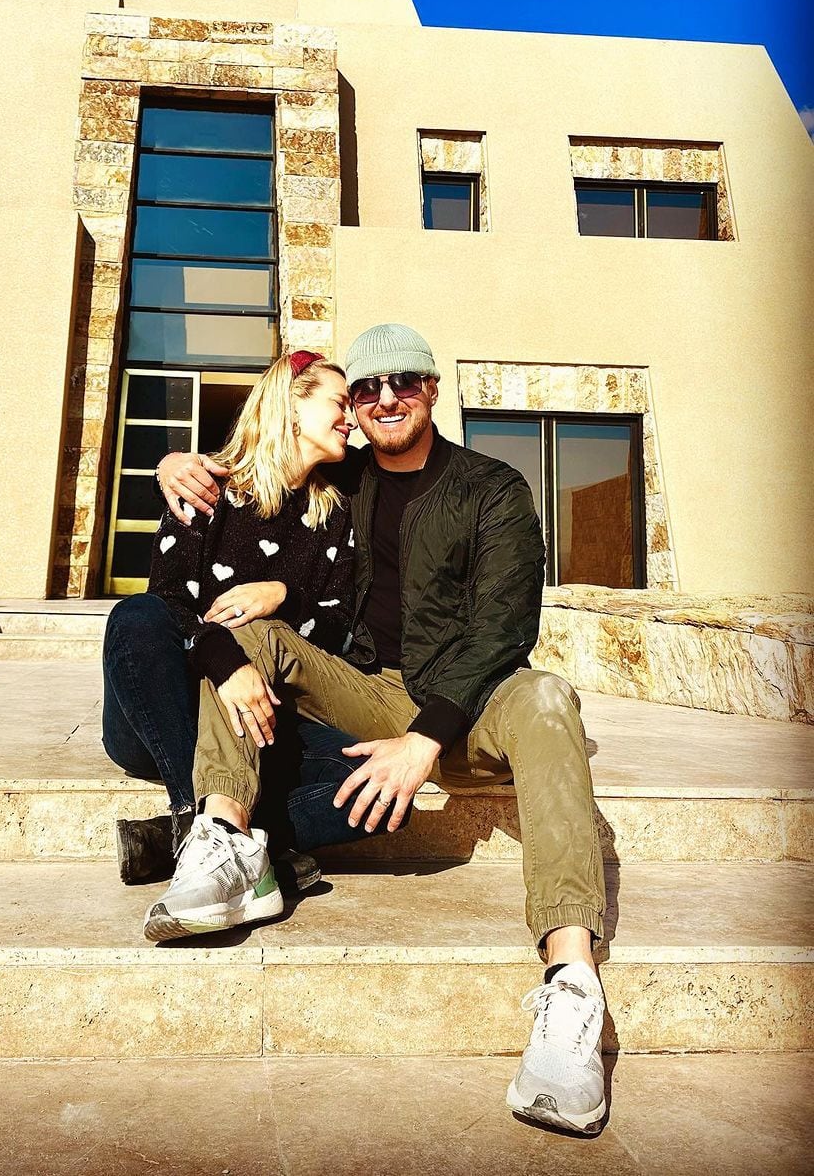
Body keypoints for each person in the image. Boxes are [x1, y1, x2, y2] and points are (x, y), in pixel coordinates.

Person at [155, 323, 609, 1137]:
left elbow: (505, 627)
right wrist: (176, 465)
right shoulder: (345, 476)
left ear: (431, 387)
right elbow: (260, 465)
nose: (383, 399)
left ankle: (571, 987)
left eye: (403, 382)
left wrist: (425, 740)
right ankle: (222, 841)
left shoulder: (492, 488)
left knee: (548, 698)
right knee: (246, 637)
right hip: (366, 691)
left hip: (472, 702)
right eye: (365, 389)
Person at [101, 349, 374, 917]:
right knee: (136, 616)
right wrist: (227, 664)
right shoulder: (207, 489)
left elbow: (338, 626)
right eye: (339, 403)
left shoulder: (336, 510)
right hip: (165, 714)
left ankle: (191, 836)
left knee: (374, 788)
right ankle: (209, 821)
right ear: (291, 406)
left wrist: (282, 594)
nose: (351, 418)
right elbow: (171, 605)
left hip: (260, 723)